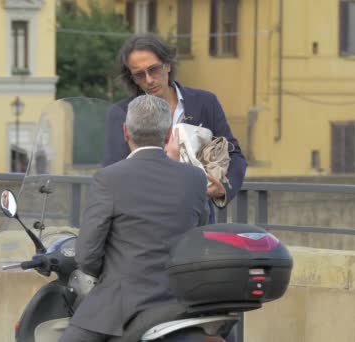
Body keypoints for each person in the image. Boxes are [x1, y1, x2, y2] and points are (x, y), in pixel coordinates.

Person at [60, 95, 209, 342]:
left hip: (121, 304)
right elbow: (201, 233)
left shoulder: (108, 178)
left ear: (125, 131)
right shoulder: (195, 178)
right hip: (179, 301)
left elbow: (87, 254)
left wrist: (101, 273)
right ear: (169, 131)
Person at [104, 33, 247, 221]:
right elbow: (113, 172)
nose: (148, 80)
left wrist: (223, 188)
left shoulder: (205, 102)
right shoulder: (121, 112)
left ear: (168, 65)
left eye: (153, 69)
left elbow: (234, 154)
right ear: (132, 78)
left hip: (197, 219)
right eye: (139, 74)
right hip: (145, 222)